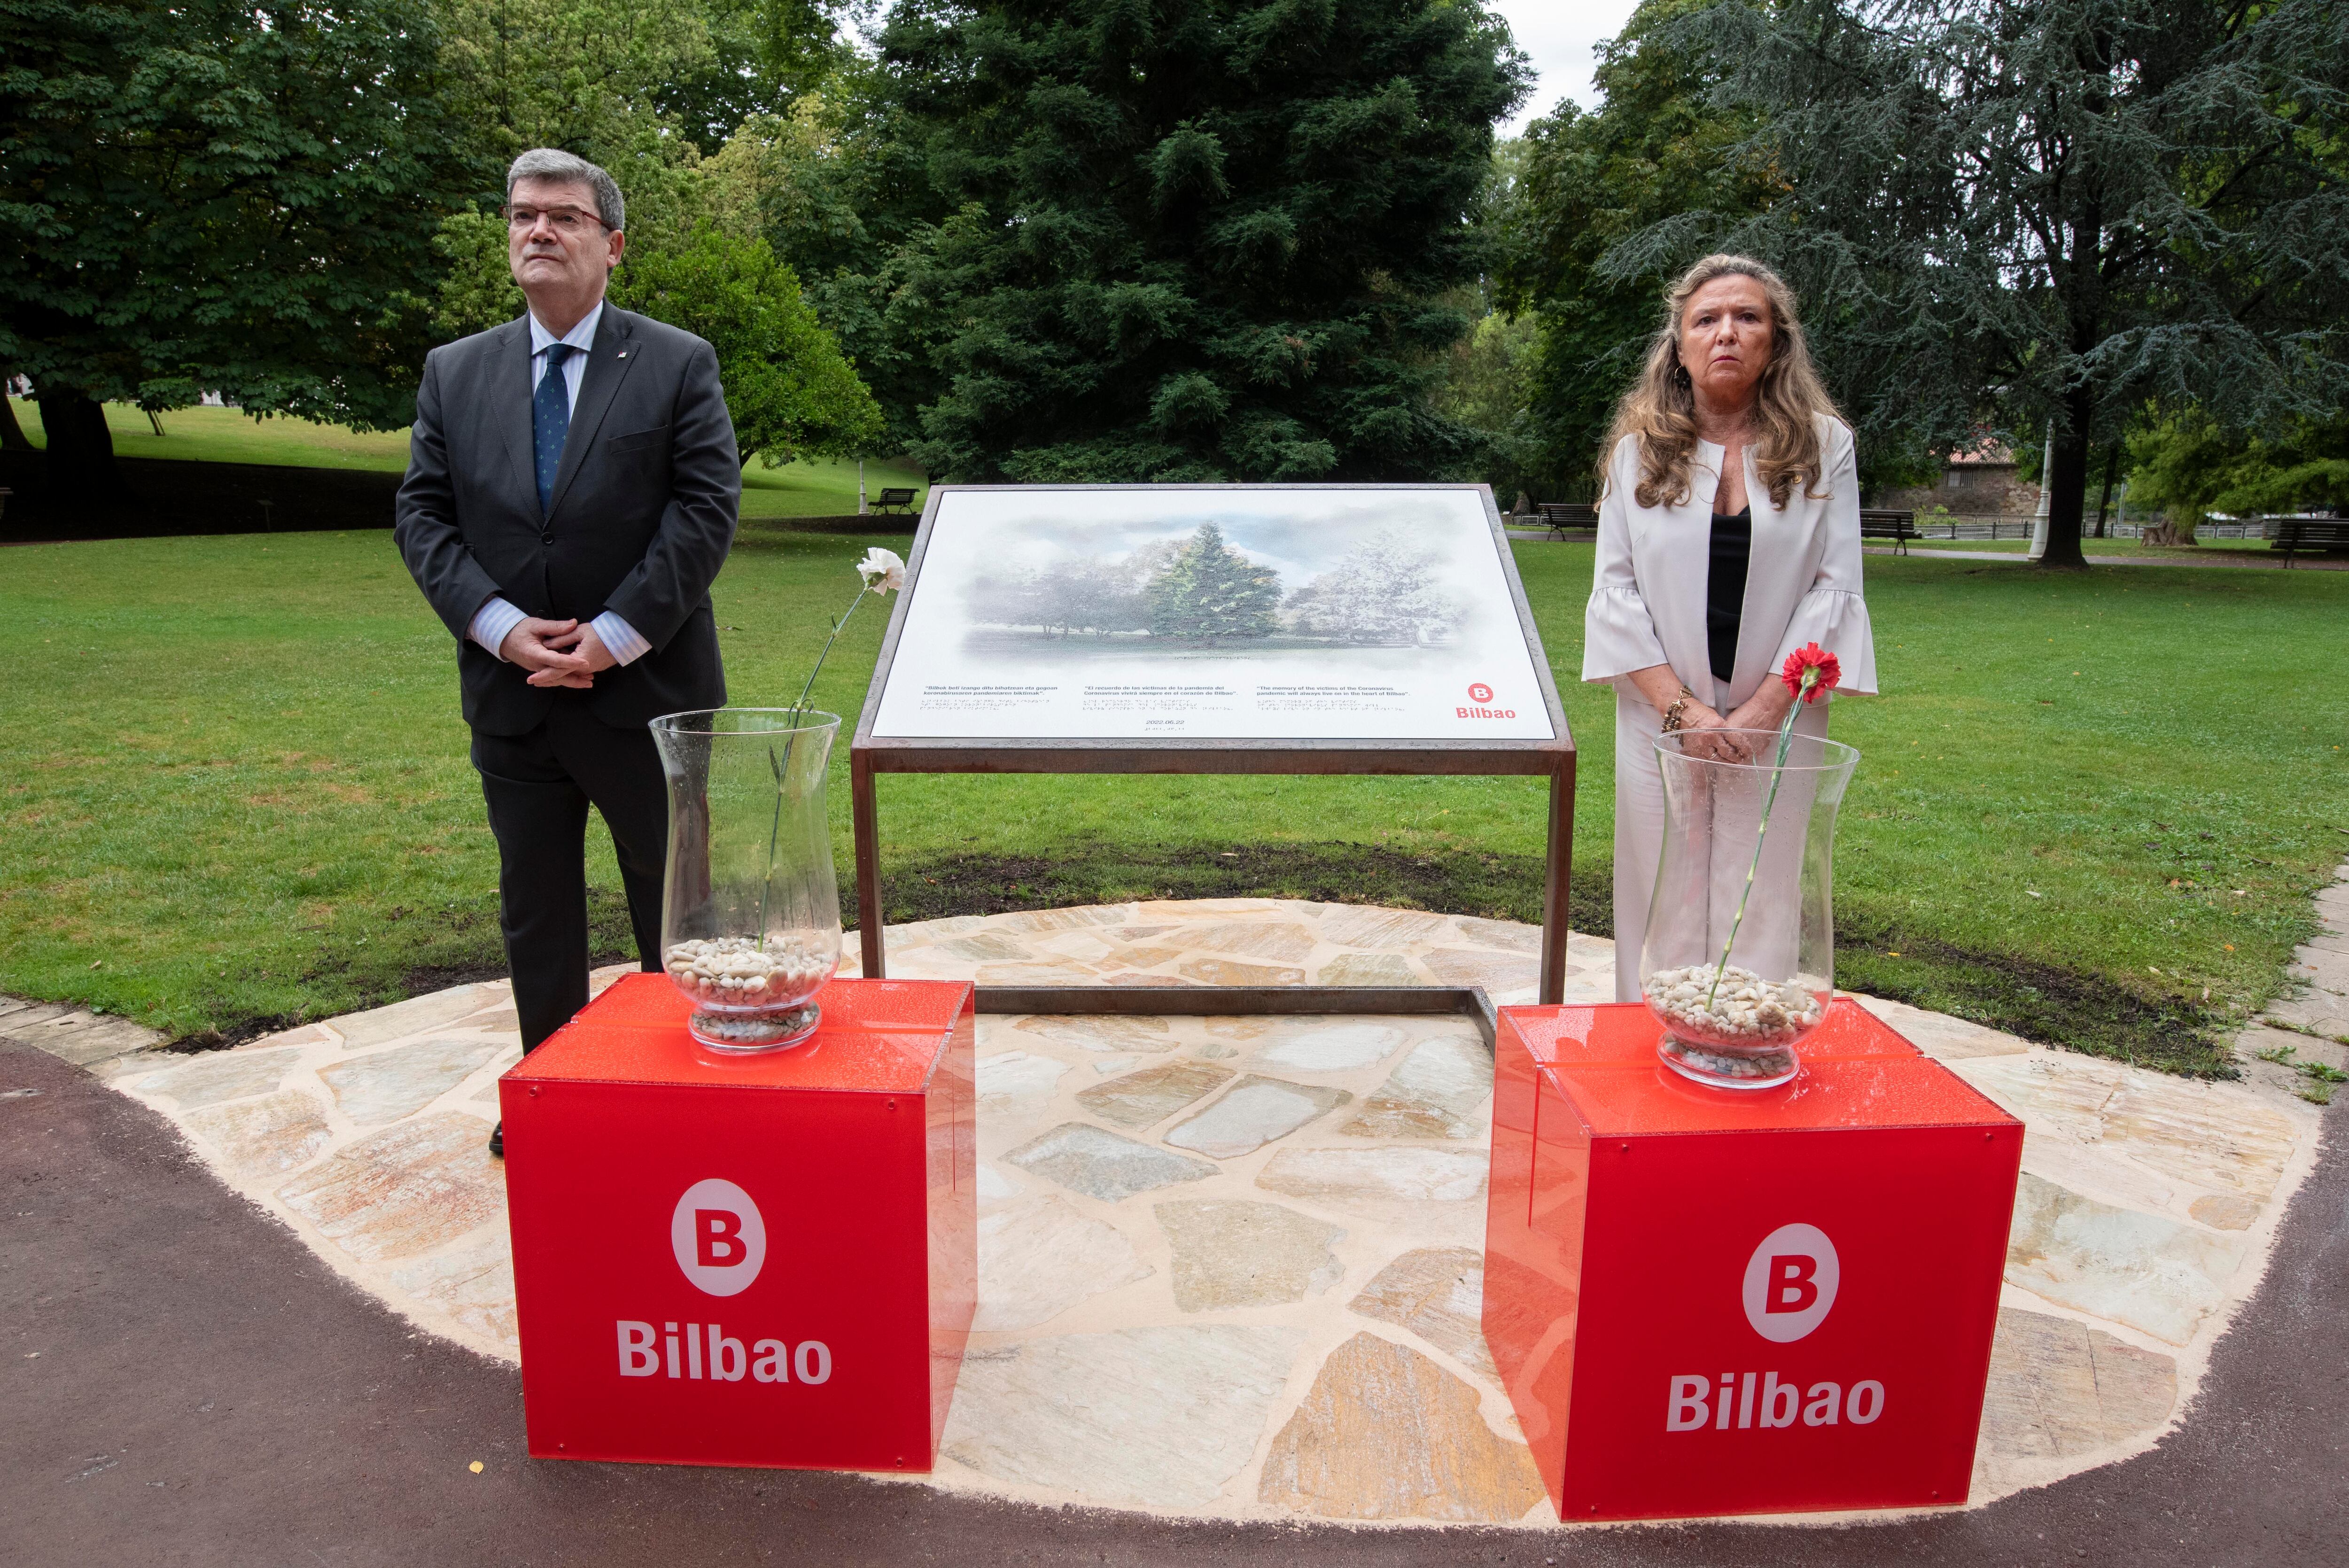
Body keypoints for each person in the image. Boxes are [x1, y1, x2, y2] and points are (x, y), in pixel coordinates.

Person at [395, 149, 741, 1154]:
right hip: (513, 701)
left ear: (612, 243)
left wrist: (614, 637)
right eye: (520, 216)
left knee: (675, 912)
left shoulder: (677, 361)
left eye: (564, 216)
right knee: (535, 914)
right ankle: (557, 1107)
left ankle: (688, 1101)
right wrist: (499, 626)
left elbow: (705, 510)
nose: (537, 231)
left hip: (646, 695)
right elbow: (423, 515)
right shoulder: (454, 373)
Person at [1581, 254, 1878, 1002]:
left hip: (1778, 713)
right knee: (1660, 880)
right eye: (1706, 319)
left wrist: (1757, 715)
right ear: (1678, 345)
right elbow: (1615, 595)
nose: (1727, 333)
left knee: (1766, 881)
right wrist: (1683, 712)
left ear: (1776, 342)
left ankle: (1747, 1039)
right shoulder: (1635, 455)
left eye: (1748, 317)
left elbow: (1834, 588)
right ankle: (1656, 1034)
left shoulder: (1824, 447)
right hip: (1657, 710)